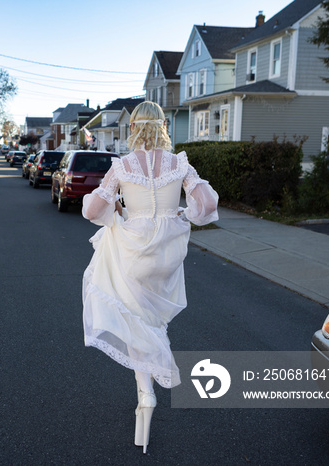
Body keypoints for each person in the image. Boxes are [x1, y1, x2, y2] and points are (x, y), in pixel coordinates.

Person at [81, 101, 219, 454]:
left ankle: (146, 394)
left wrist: (115, 210)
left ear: (135, 128)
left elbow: (93, 210)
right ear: (162, 127)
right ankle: (146, 390)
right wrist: (181, 215)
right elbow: (206, 205)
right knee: (152, 318)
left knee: (134, 319)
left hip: (134, 251)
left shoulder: (123, 165)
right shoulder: (181, 163)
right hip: (169, 254)